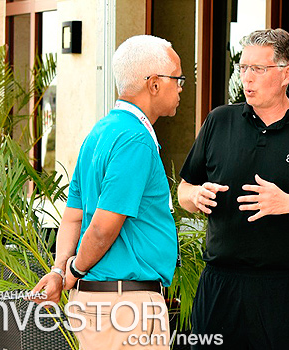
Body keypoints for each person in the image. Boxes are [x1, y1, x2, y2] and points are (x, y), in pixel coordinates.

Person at [178, 28, 289, 349]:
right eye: (242, 67)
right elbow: (183, 190)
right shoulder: (219, 120)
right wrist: (195, 195)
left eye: (258, 69)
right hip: (219, 286)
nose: (246, 78)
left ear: (286, 74)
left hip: (288, 291)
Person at [31, 35, 182, 350]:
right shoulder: (134, 139)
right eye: (177, 78)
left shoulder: (99, 132)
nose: (181, 86)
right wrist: (72, 270)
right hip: (126, 307)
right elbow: (101, 228)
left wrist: (60, 269)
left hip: (100, 303)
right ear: (154, 84)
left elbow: (72, 218)